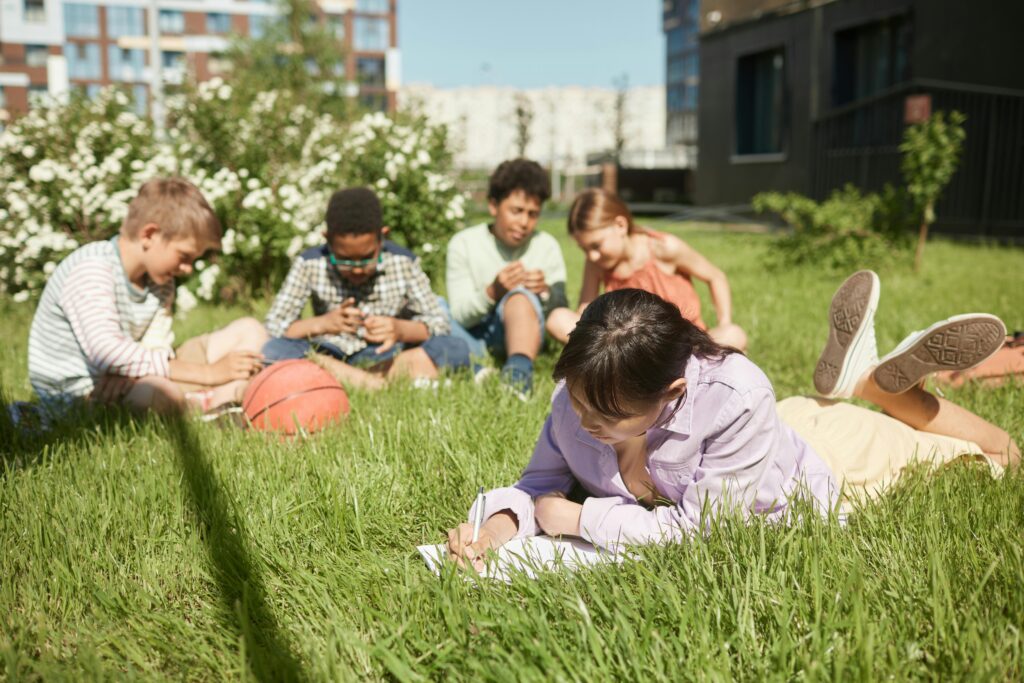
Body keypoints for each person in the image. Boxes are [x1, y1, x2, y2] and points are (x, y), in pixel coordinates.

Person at [446, 272, 1017, 568]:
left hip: (835, 459)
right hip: (775, 429)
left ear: (671, 393)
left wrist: (578, 518)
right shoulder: (579, 395)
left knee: (1003, 456)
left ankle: (881, 389)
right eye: (576, 402)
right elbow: (536, 486)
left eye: (608, 415)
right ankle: (863, 381)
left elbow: (705, 533)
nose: (583, 420)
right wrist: (493, 530)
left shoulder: (736, 396)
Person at [27, 177, 269, 416]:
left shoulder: (161, 281)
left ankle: (221, 399)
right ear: (149, 235)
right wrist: (208, 374)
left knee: (250, 330)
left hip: (131, 375)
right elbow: (106, 352)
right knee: (159, 393)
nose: (188, 268)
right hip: (85, 392)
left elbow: (157, 344)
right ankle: (213, 399)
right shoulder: (92, 269)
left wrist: (127, 371)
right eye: (184, 256)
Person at [262, 187, 470, 390]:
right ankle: (382, 382)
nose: (357, 270)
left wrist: (399, 329)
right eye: (344, 260)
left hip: (386, 354)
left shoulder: (403, 261)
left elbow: (439, 323)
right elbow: (275, 326)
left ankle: (349, 380)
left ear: (382, 237)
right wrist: (322, 324)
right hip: (330, 352)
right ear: (327, 239)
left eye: (366, 258)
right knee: (274, 349)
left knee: (454, 347)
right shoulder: (309, 263)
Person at [547, 188, 748, 351]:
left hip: (686, 344)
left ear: (620, 225)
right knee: (558, 318)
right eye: (584, 249)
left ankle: (695, 367)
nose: (591, 256)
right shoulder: (596, 264)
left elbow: (716, 277)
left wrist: (724, 321)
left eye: (596, 245)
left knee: (733, 334)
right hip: (634, 349)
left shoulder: (663, 248)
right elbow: (585, 311)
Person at [445, 158, 572, 397]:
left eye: (533, 214)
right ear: (493, 205)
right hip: (474, 335)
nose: (524, 222)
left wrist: (544, 292)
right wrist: (492, 292)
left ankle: (517, 374)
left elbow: (561, 307)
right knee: (436, 308)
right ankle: (480, 366)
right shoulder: (463, 243)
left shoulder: (546, 246)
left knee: (520, 297)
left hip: (526, 332)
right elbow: (459, 316)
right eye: (516, 211)